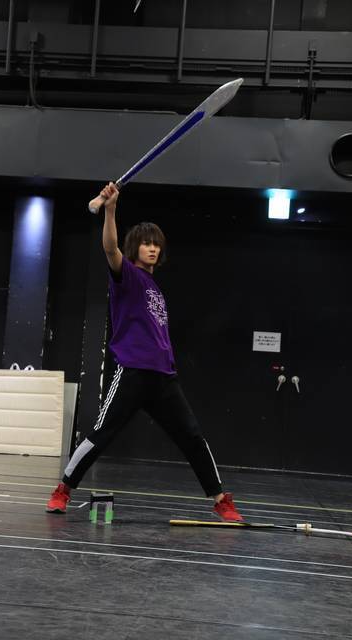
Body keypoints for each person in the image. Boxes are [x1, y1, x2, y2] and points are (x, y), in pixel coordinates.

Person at [46, 182, 243, 522]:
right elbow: (110, 248)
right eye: (146, 243)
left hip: (164, 377)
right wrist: (110, 209)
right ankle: (63, 490)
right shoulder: (128, 276)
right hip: (132, 372)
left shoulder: (155, 288)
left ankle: (221, 500)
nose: (152, 248)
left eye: (156, 244)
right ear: (135, 247)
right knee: (101, 434)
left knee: (193, 437)